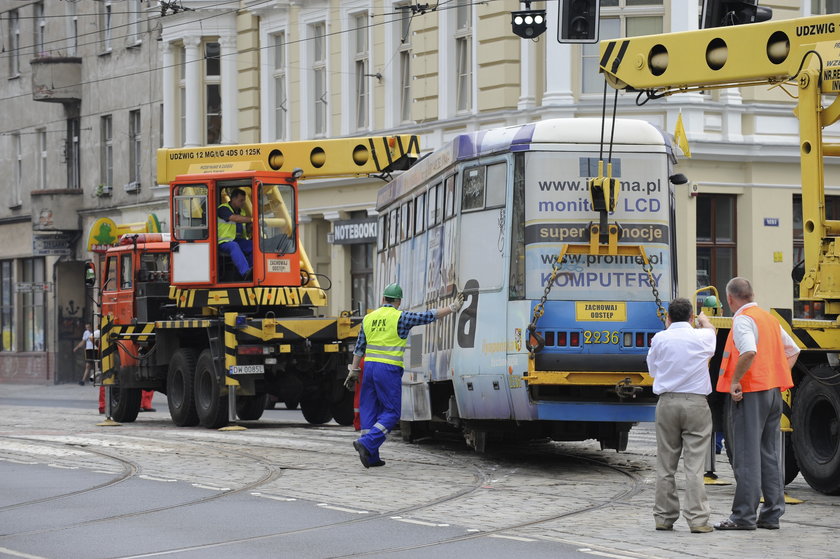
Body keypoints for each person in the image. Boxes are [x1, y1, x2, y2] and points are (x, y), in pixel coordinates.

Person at [346, 283, 464, 468]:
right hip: (388, 369)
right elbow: (427, 316)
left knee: (369, 410)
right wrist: (452, 308)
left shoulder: (368, 318)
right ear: (398, 301)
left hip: (368, 369)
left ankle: (371, 456)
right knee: (392, 413)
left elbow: (360, 347)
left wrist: (354, 370)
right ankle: (367, 443)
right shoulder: (400, 317)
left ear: (383, 299)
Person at [714, 277, 799, 531]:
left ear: (730, 299)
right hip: (773, 393)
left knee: (746, 456)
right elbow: (793, 351)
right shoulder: (768, 318)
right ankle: (772, 513)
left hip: (751, 394)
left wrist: (736, 381)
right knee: (768, 454)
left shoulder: (742, 320)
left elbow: (749, 351)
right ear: (752, 294)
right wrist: (774, 377)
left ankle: (743, 516)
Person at [646, 298, 716, 534]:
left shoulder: (659, 339)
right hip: (696, 403)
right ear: (691, 317)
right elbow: (712, 333)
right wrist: (704, 321)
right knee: (694, 465)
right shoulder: (701, 337)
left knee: (665, 464)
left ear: (668, 318)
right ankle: (698, 520)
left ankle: (664, 518)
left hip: (667, 403)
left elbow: (653, 370)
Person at [217, 188, 253, 280]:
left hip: (238, 240)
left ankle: (253, 271)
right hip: (224, 242)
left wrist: (251, 226)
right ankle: (245, 272)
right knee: (234, 246)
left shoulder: (242, 212)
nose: (243, 203)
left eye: (244, 200)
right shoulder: (223, 208)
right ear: (233, 199)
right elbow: (235, 218)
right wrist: (252, 219)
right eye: (241, 200)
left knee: (254, 245)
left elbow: (245, 227)